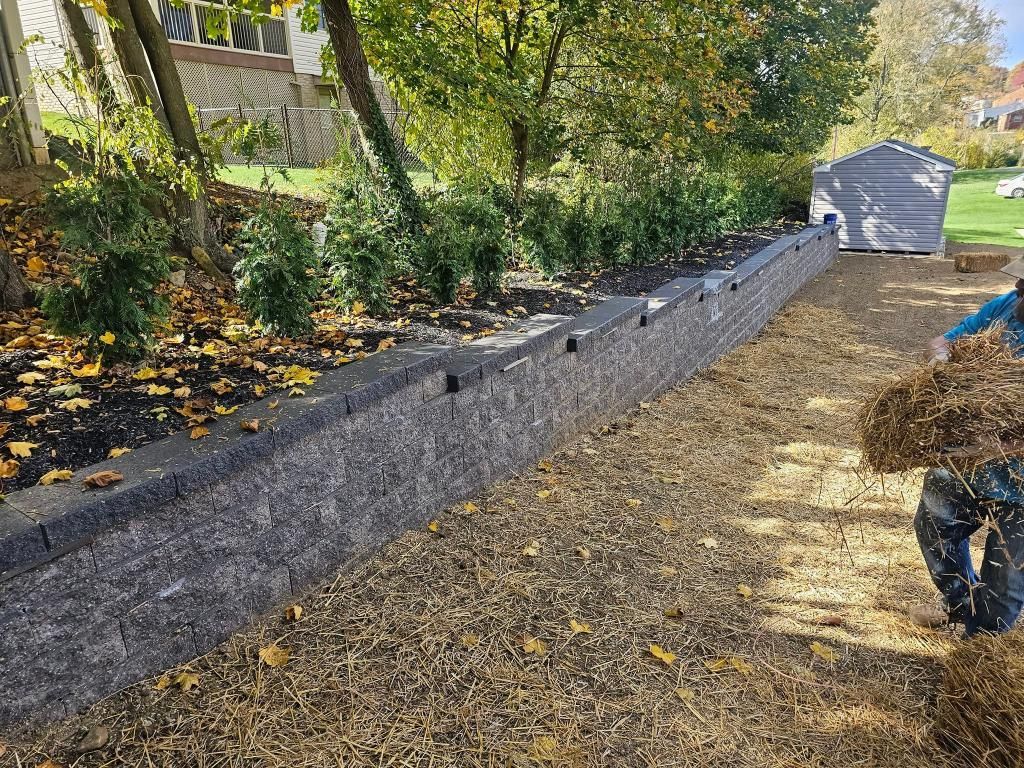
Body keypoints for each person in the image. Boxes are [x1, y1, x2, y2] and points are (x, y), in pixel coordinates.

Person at [910, 258, 1024, 636]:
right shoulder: (1006, 306)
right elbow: (941, 343)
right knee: (933, 526)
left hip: (1020, 482)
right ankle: (960, 604)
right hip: (972, 463)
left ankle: (982, 645)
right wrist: (943, 367)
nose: (1020, 288)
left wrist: (998, 445)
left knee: (1007, 578)